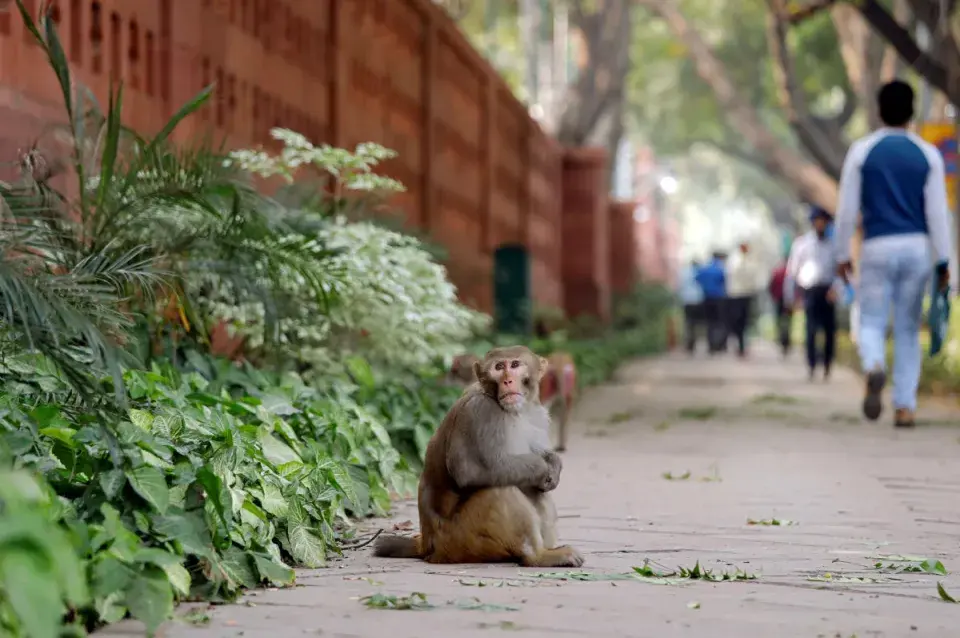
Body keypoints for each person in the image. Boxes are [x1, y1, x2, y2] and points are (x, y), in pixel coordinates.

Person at [834, 79, 953, 428]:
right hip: (916, 247)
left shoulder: (862, 151)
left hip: (876, 246)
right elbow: (937, 214)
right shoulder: (927, 154)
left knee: (870, 319)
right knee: (906, 328)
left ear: (879, 110)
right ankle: (905, 406)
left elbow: (845, 211)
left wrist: (842, 254)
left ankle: (873, 365)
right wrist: (945, 261)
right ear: (912, 112)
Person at [785, 206, 842, 381]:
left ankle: (827, 364)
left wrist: (836, 289)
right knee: (810, 330)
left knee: (829, 331)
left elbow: (840, 272)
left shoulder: (834, 246)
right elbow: (792, 272)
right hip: (810, 291)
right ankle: (811, 365)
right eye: (817, 221)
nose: (820, 224)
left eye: (823, 221)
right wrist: (790, 296)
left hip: (828, 291)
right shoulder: (802, 244)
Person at [725, 239, 764, 358]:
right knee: (736, 320)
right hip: (736, 294)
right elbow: (732, 274)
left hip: (747, 294)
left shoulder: (750, 260)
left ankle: (743, 345)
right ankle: (738, 343)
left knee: (745, 321)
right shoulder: (734, 260)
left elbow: (754, 276)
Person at [695, 252, 727, 354]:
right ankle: (719, 345)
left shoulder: (704, 268)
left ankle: (711, 345)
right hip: (718, 298)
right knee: (719, 322)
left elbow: (697, 279)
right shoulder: (720, 268)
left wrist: (706, 287)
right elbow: (724, 281)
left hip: (706, 297)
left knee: (709, 322)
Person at [768, 254, 793, 357]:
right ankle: (785, 340)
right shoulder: (790, 272)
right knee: (787, 321)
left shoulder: (778, 272)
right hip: (787, 300)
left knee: (781, 321)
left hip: (780, 299)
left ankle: (783, 339)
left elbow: (770, 286)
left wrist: (773, 296)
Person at [678, 259, 705, 354]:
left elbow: (679, 286)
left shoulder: (684, 272)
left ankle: (690, 344)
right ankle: (694, 342)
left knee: (688, 322)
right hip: (698, 300)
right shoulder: (700, 272)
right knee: (697, 323)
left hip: (687, 300)